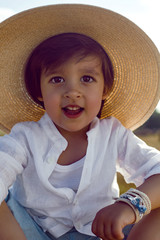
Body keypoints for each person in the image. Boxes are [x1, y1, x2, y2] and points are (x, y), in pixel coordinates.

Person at [0, 4, 160, 240]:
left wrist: (129, 206)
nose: (72, 91)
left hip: (101, 231)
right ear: (39, 92)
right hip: (32, 231)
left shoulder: (113, 134)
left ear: (105, 88)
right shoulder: (25, 136)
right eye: (57, 79)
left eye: (87, 78)